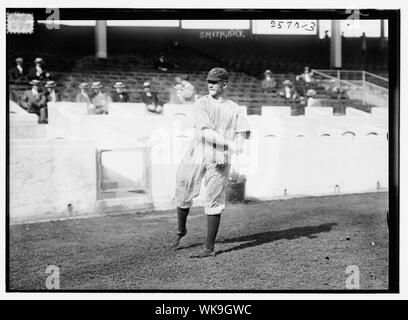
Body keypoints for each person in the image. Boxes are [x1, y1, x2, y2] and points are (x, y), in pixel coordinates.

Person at [173, 67, 251, 258]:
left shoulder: (235, 108)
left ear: (224, 84)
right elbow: (206, 132)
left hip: (219, 156)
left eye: (215, 82)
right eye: (209, 81)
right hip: (198, 150)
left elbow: (242, 132)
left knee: (214, 198)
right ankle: (181, 230)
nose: (210, 84)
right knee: (184, 186)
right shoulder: (202, 103)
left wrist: (238, 145)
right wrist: (231, 143)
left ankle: (209, 248)